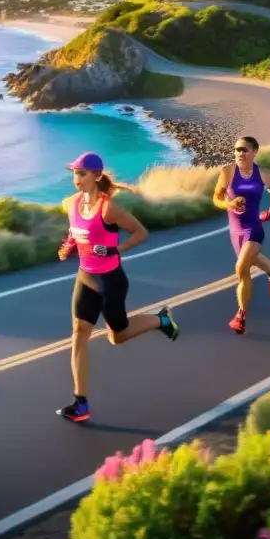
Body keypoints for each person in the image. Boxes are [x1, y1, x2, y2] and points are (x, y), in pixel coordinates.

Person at [56, 152, 180, 422]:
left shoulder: (108, 208)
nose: (76, 178)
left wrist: (115, 249)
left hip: (110, 281)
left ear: (96, 176)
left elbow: (140, 233)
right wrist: (68, 247)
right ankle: (81, 403)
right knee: (79, 333)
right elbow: (75, 232)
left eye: (82, 173)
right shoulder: (70, 203)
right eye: (74, 173)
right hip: (85, 278)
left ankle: (160, 320)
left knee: (117, 337)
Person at [212, 136, 270, 335]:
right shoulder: (228, 172)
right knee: (250, 262)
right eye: (237, 150)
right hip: (234, 230)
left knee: (241, 268)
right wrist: (228, 204)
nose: (240, 153)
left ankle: (241, 315)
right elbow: (216, 198)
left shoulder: (263, 173)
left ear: (255, 152)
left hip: (253, 228)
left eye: (244, 150)